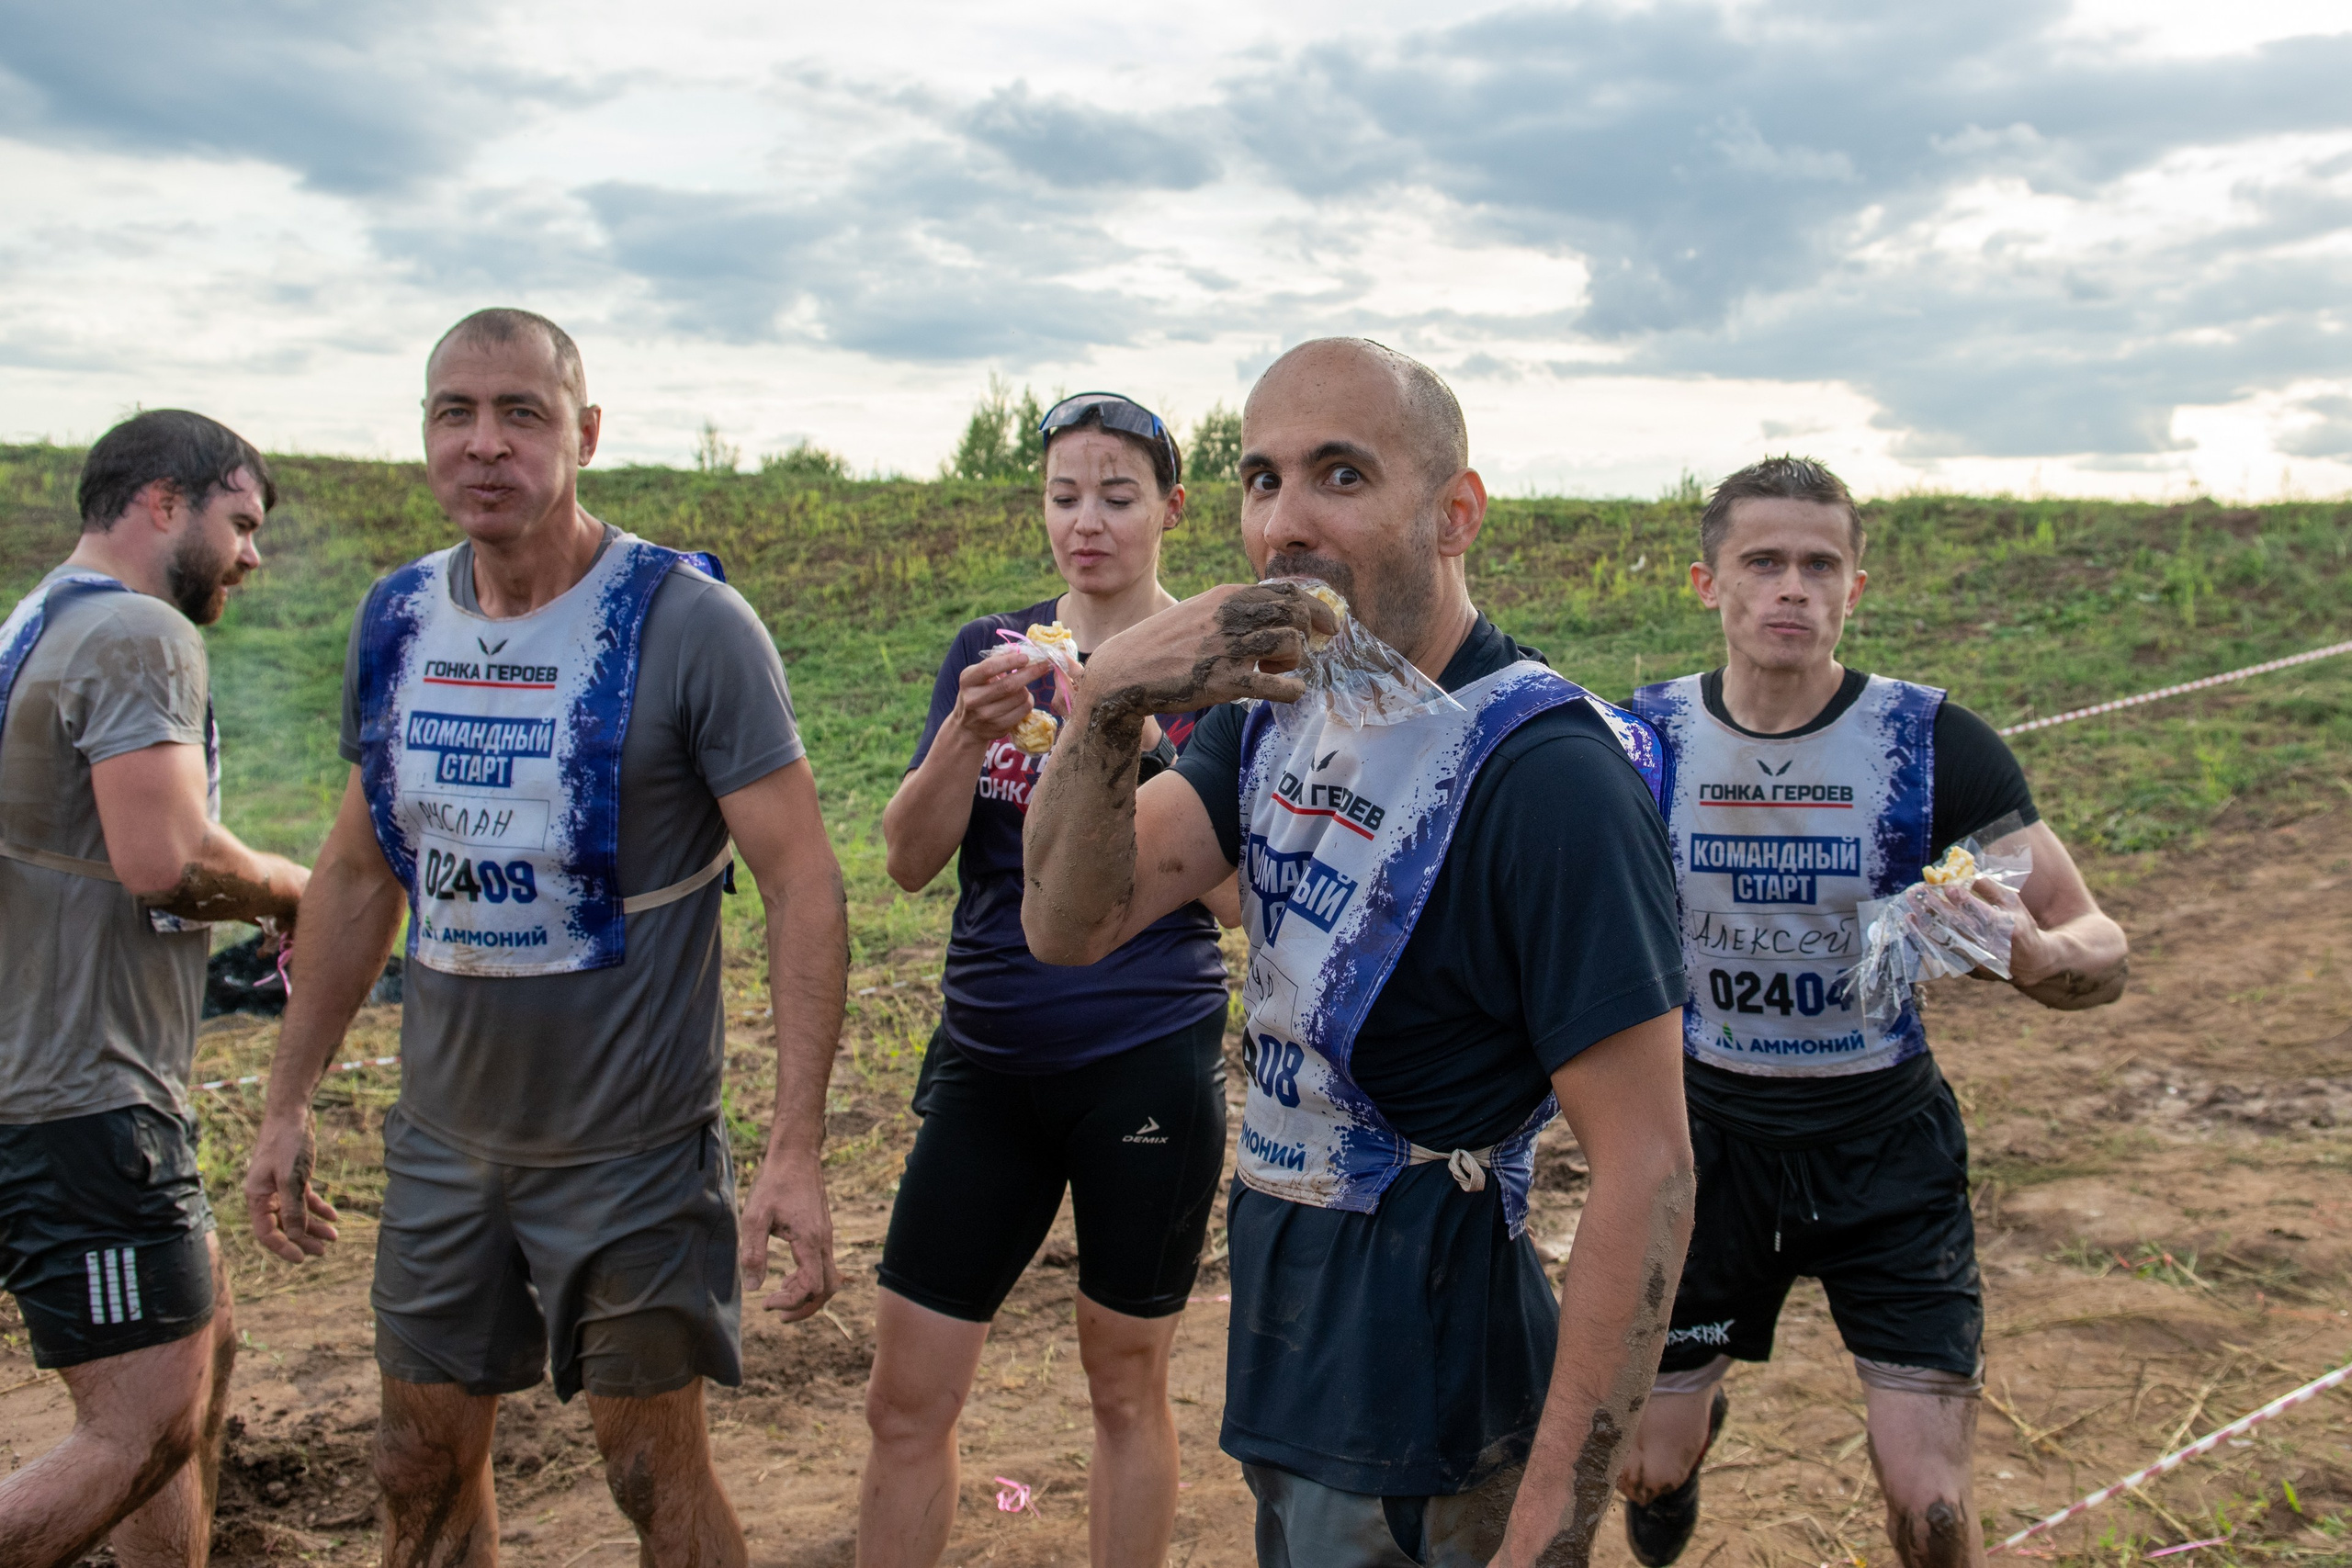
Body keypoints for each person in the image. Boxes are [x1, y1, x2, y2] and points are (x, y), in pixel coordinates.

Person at [1021, 339, 1697, 1568]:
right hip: (1295, 1353)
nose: (1285, 522)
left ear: (1455, 513)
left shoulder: (1547, 775)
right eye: (1262, 479)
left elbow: (1647, 1168)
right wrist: (1109, 702)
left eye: (1340, 474)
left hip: (1438, 1404)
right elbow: (1070, 922)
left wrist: (1552, 1527)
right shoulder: (1286, 710)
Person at [241, 309, 849, 1567]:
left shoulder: (687, 623)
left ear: (585, 432)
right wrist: (286, 1098)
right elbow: (355, 870)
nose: (484, 443)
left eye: (520, 412)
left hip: (631, 1147)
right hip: (443, 1140)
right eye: (453, 413)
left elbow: (802, 880)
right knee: (414, 1463)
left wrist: (795, 1146)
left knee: (648, 1469)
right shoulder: (398, 618)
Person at [1618, 457, 2131, 1568]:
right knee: (1645, 1467)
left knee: (1932, 1513)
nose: (1791, 588)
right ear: (1707, 583)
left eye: (1819, 565)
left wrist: (2035, 956)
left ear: (1854, 588)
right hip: (1702, 1148)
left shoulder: (1929, 742)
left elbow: (2102, 947)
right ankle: (1682, 1452)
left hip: (1884, 1147)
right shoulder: (1643, 740)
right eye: (1763, 562)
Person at [862, 392, 1238, 1568]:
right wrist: (964, 736)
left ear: (1171, 510)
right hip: (988, 1062)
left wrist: (1144, 740)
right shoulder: (996, 655)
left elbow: (1238, 903)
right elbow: (907, 861)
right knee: (904, 1401)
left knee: (1123, 1387)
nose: (1087, 522)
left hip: (1144, 1065)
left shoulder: (1213, 672)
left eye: (1117, 497)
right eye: (1064, 496)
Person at [0, 410, 309, 1562]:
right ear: (163, 503)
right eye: (241, 521)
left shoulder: (37, 620)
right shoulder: (137, 630)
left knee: (203, 1339)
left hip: (54, 1072)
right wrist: (294, 890)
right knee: (142, 1427)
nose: (251, 554)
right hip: (82, 1095)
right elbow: (166, 859)